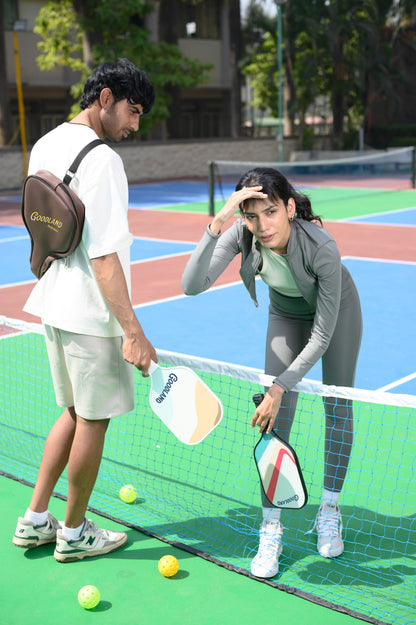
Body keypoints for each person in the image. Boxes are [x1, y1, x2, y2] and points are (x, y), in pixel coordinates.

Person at [181, 167, 362, 578]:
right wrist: (220, 220)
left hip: (334, 318)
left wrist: (280, 386)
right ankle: (271, 527)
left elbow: (322, 334)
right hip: (286, 312)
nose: (261, 226)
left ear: (290, 208)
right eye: (251, 215)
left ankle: (329, 509)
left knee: (337, 406)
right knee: (272, 421)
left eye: (271, 212)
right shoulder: (242, 232)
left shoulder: (322, 248)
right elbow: (191, 285)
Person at [12, 58, 157, 563]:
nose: (134, 126)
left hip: (52, 302)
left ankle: (34, 519)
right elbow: (104, 256)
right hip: (92, 316)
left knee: (72, 413)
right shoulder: (103, 160)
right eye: (132, 111)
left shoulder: (46, 143)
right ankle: (73, 532)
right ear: (105, 97)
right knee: (93, 421)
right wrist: (132, 331)